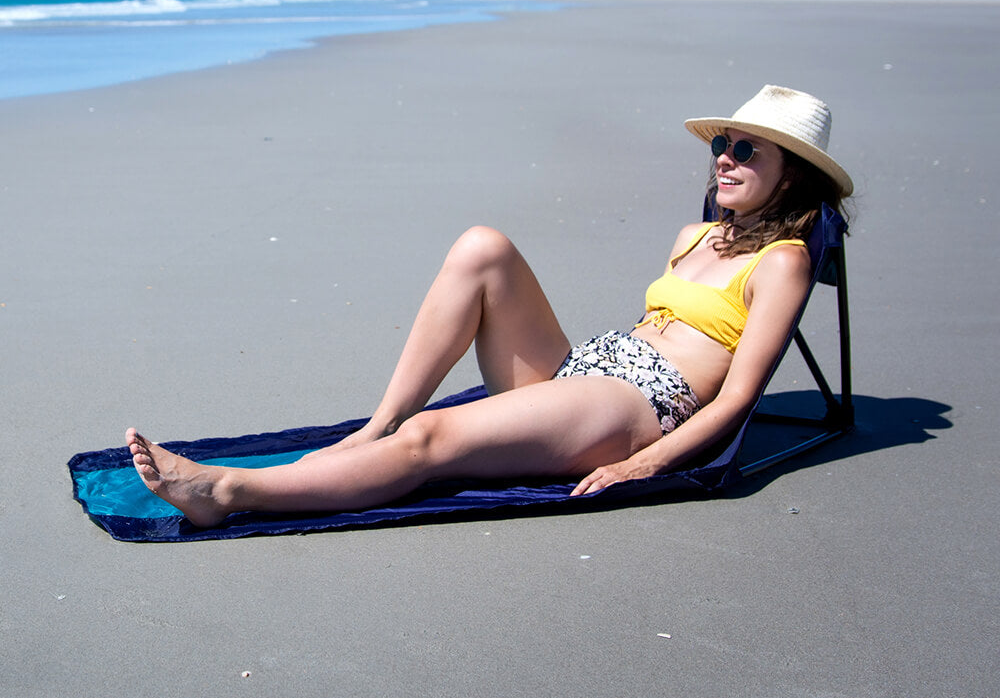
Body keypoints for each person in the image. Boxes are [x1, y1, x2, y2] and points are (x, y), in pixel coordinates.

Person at [127, 84, 854, 528]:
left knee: (435, 442)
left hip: (637, 405)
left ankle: (225, 490)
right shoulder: (695, 234)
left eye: (749, 151)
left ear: (792, 177)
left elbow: (737, 399)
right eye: (724, 143)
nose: (724, 157)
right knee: (483, 246)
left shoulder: (782, 262)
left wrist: (647, 465)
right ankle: (377, 425)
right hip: (587, 371)